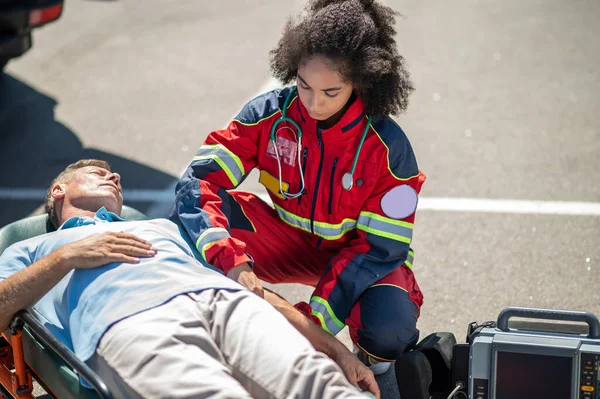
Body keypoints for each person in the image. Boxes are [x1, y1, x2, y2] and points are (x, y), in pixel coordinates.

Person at [171, 0, 425, 376]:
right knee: (187, 226)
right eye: (304, 86)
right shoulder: (268, 116)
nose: (313, 103)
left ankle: (371, 362)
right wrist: (231, 260)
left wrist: (312, 324)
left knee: (390, 330)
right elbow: (198, 180)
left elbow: (377, 249)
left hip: (359, 258)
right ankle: (205, 332)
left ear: (360, 83)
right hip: (286, 242)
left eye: (330, 92)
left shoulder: (390, 151)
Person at [0, 159, 379, 399]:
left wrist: (334, 348)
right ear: (58, 189)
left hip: (226, 302)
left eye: (113, 175)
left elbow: (257, 292)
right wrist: (66, 257)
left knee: (324, 386)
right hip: (131, 321)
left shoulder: (162, 227)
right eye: (98, 173)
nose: (114, 176)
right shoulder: (33, 249)